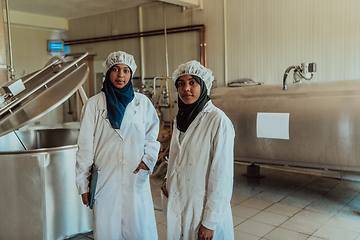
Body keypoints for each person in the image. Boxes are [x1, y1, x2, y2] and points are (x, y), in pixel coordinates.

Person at [75, 51, 160, 240]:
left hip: (135, 177)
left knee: (138, 230)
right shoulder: (93, 105)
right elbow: (85, 148)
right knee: (108, 231)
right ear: (107, 72)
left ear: (131, 74)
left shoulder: (142, 103)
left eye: (125, 71)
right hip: (106, 181)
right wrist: (83, 184)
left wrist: (148, 159)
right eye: (115, 69)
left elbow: (152, 136)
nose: (120, 75)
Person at [161, 60, 235, 240]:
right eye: (181, 83)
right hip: (181, 200)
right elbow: (179, 155)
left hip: (202, 209)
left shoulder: (218, 121)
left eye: (192, 83)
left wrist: (209, 222)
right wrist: (168, 178)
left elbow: (222, 176)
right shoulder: (182, 118)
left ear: (203, 85)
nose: (186, 88)